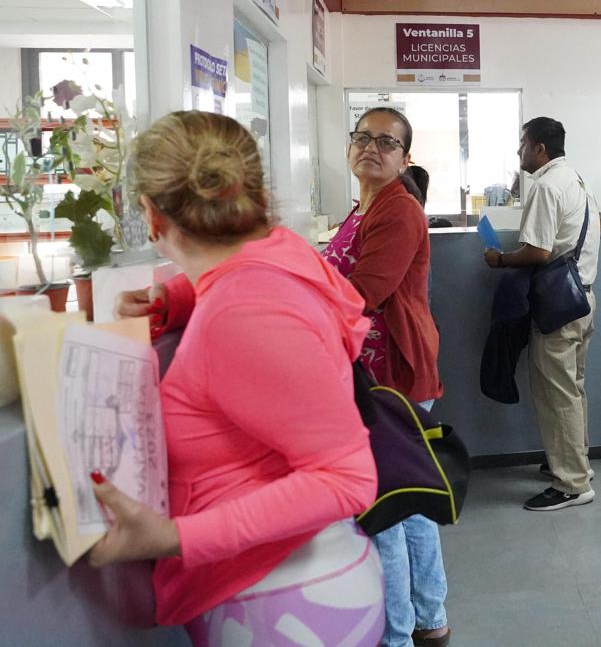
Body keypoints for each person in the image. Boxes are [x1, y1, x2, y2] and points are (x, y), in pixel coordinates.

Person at [101, 111, 382, 645]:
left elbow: (346, 479)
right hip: (296, 587)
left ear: (152, 216)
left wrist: (175, 536)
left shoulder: (244, 309)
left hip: (280, 603)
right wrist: (174, 298)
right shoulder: (280, 256)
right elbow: (255, 278)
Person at [325, 107, 450, 647]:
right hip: (380, 373)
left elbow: (363, 292)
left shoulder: (398, 209)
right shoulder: (367, 205)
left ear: (404, 158)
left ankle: (396, 634)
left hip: (389, 375)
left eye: (386, 142)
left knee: (389, 510)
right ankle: (429, 618)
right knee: (411, 502)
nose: (371, 148)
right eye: (362, 138)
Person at [483, 116, 601, 511]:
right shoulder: (576, 180)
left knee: (557, 394)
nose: (518, 151)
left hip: (556, 307)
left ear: (539, 148)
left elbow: (537, 252)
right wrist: (575, 257)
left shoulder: (545, 186)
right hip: (582, 299)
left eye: (523, 144)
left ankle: (572, 484)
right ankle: (577, 463)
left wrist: (500, 259)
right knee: (572, 388)